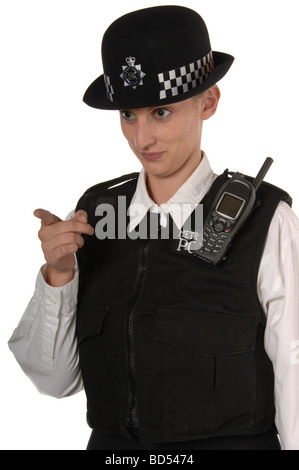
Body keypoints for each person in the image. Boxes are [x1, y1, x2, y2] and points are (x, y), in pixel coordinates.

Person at [8, 6, 299, 450]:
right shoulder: (95, 215)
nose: (141, 138)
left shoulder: (266, 220)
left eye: (160, 112)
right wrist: (60, 275)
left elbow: (295, 371)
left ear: (209, 102)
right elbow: (54, 383)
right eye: (128, 114)